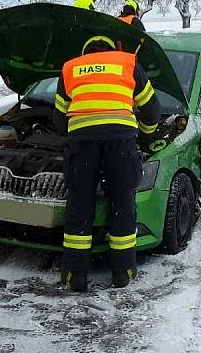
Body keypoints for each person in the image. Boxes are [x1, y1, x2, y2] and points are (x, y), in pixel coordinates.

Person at [53, 35, 160, 292]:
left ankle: (75, 275)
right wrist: (146, 131)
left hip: (83, 143)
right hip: (120, 141)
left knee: (80, 204)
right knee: (122, 201)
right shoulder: (127, 62)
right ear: (112, 50)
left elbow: (58, 121)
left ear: (85, 53)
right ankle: (123, 271)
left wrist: (76, 134)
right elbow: (152, 110)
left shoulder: (70, 68)